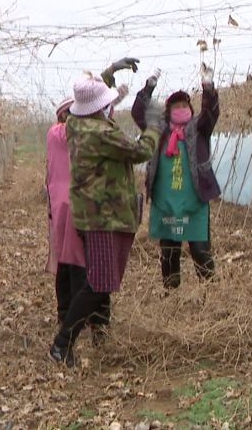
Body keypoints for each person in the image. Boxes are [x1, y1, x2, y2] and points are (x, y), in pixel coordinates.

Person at [49, 68, 161, 366]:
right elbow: (140, 151)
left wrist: (109, 76)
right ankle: (62, 344)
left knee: (102, 280)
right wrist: (153, 127)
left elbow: (89, 96)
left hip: (95, 214)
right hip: (105, 216)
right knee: (99, 281)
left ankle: (79, 338)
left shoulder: (75, 124)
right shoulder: (100, 133)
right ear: (100, 108)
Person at [131, 63, 221, 289]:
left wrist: (208, 87)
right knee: (169, 253)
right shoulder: (159, 130)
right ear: (168, 110)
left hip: (194, 202)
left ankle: (210, 293)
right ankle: (171, 296)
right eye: (176, 105)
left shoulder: (198, 129)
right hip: (166, 202)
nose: (182, 108)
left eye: (185, 104)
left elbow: (211, 113)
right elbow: (138, 113)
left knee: (200, 251)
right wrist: (148, 87)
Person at [45, 98, 92, 330]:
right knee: (74, 262)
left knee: (67, 260)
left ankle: (66, 314)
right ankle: (72, 316)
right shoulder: (58, 133)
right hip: (69, 207)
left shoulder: (63, 136)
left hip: (63, 206)